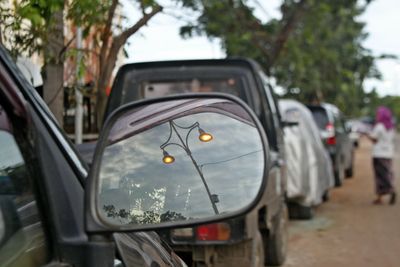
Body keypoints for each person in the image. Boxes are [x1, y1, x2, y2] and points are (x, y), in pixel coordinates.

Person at [365, 106, 396, 205]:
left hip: (379, 154)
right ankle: (379, 197)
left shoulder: (379, 126)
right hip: (388, 154)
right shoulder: (391, 127)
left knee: (380, 176)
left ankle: (391, 190)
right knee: (386, 173)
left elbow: (374, 139)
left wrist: (367, 134)